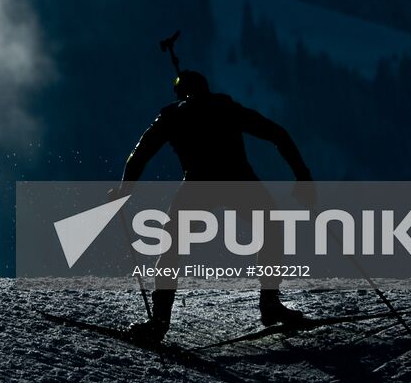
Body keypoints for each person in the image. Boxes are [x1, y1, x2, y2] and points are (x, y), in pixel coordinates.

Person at [109, 69, 315, 344]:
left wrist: (125, 190)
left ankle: (159, 321)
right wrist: (302, 176)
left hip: (198, 185)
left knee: (171, 249)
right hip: (239, 180)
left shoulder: (173, 116)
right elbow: (276, 133)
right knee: (271, 230)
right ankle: (270, 302)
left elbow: (140, 154)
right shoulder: (226, 108)